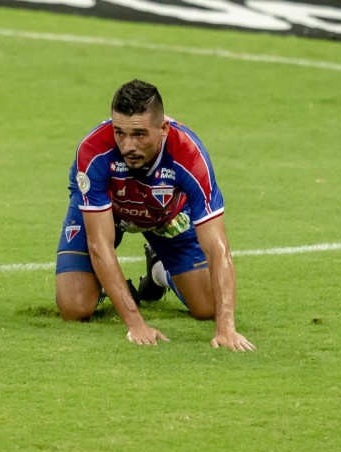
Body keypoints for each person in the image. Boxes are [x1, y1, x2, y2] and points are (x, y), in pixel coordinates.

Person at [55, 79, 255, 351]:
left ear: (162, 130)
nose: (127, 146)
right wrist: (135, 323)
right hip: (108, 212)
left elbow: (218, 249)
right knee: (74, 308)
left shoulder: (189, 155)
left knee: (208, 307)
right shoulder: (93, 151)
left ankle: (159, 270)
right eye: (120, 133)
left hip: (165, 215)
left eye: (139, 134)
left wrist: (226, 328)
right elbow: (99, 244)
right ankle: (103, 284)